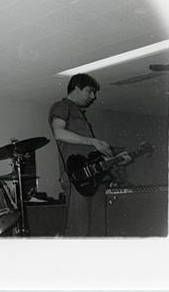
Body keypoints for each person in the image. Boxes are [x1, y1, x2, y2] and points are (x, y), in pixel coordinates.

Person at [48, 73, 131, 237]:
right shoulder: (61, 106)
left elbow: (90, 157)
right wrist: (93, 142)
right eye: (89, 91)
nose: (93, 97)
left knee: (98, 230)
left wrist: (117, 161)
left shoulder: (81, 115)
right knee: (78, 230)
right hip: (76, 176)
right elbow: (59, 133)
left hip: (95, 177)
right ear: (77, 88)